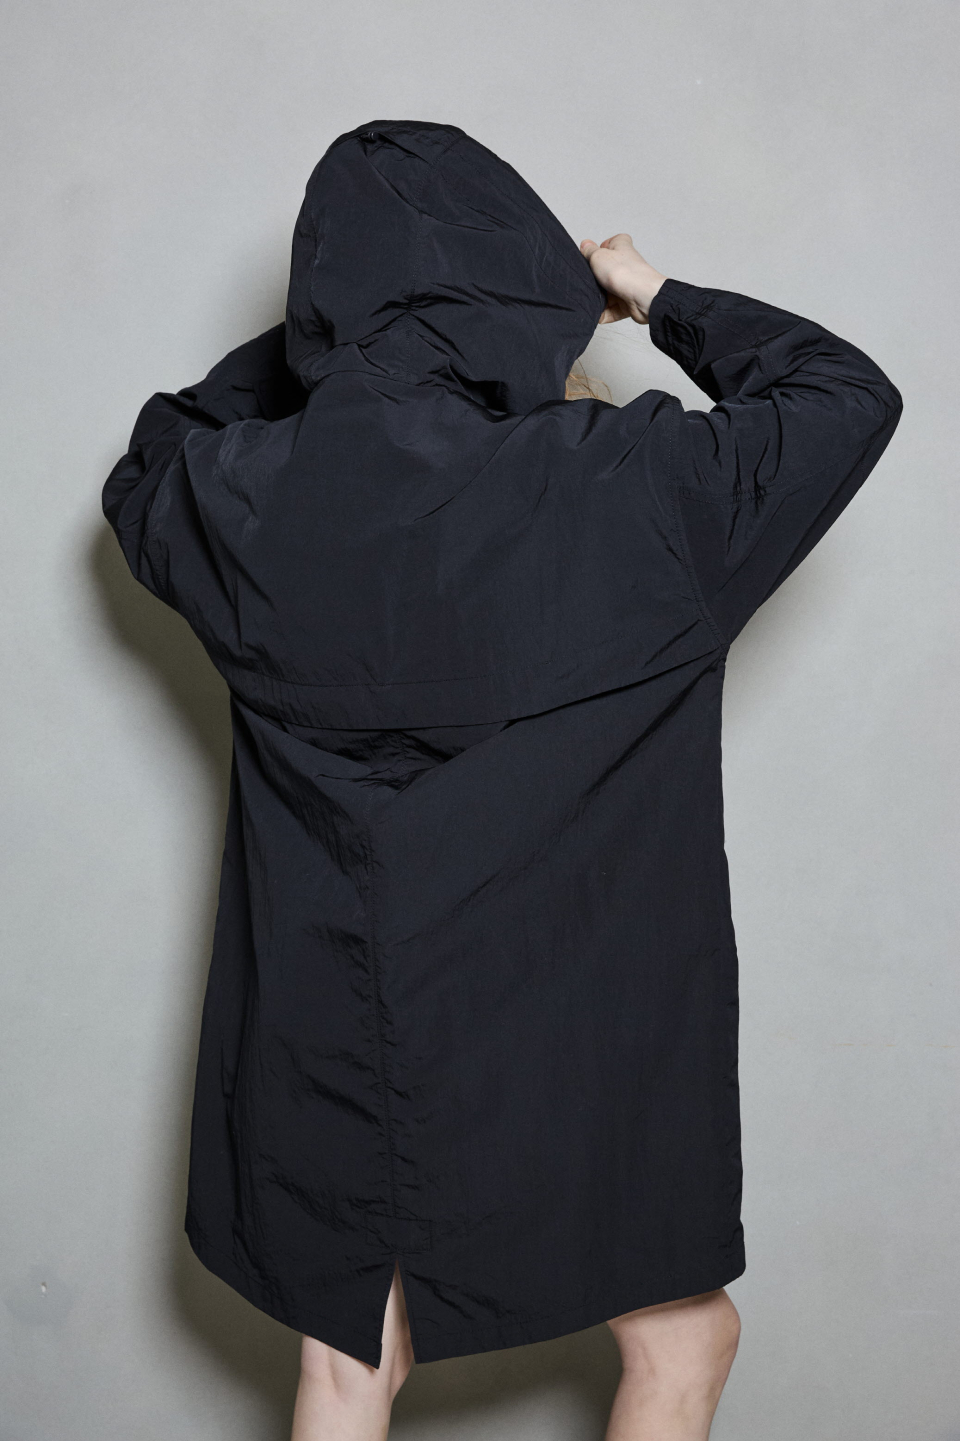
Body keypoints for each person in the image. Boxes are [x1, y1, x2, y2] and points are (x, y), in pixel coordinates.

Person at [102, 121, 901, 1441]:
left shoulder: (240, 499)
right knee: (683, 1337)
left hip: (334, 1031)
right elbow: (844, 396)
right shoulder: (631, 489)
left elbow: (154, 449)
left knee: (351, 1361)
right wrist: (647, 294)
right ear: (517, 284)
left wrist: (336, 342)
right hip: (571, 1036)